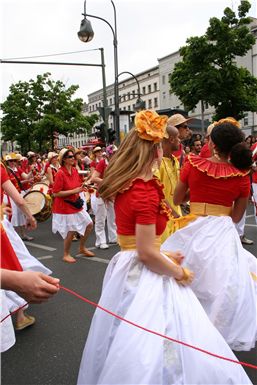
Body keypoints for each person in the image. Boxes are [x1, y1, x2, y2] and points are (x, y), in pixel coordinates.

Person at [77, 110, 252, 385]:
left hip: (129, 265)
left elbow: (139, 244)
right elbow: (146, 252)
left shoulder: (130, 184)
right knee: (160, 332)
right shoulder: (143, 190)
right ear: (154, 150)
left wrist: (165, 253)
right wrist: (178, 272)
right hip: (145, 269)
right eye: (161, 145)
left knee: (128, 333)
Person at [162, 118, 257, 351]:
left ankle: (186, 332)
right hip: (222, 232)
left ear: (212, 144)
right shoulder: (241, 176)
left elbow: (176, 199)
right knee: (222, 286)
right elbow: (236, 217)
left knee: (185, 278)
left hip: (194, 226)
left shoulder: (193, 165)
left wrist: (196, 195)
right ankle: (214, 338)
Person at [52, 148, 94, 263]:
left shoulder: (75, 170)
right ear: (64, 160)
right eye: (70, 157)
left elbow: (77, 185)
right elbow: (56, 193)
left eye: (73, 156)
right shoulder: (60, 173)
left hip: (75, 203)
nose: (73, 158)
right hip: (64, 206)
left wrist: (85, 184)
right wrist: (75, 191)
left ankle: (82, 248)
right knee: (71, 231)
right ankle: (66, 254)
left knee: (89, 224)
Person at [154, 124, 182, 242]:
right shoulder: (156, 163)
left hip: (177, 216)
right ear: (171, 139)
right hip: (164, 217)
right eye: (178, 138)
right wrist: (172, 212)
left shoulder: (175, 160)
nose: (179, 141)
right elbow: (155, 192)